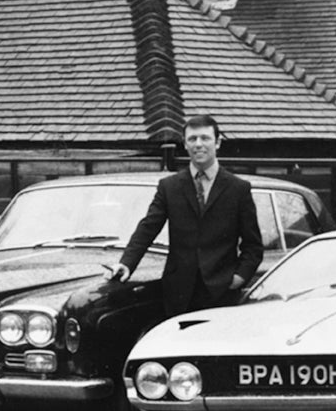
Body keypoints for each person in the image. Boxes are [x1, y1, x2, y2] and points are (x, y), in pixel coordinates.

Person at [108, 114, 264, 316]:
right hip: (178, 293)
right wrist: (126, 263)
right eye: (192, 139)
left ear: (217, 143)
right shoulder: (169, 186)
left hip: (222, 294)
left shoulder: (238, 188)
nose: (198, 144)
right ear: (185, 144)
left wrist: (239, 278)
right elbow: (148, 227)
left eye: (205, 138)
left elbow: (253, 245)